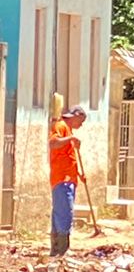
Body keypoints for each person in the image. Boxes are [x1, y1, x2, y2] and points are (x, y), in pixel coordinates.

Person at [47, 103, 87, 258]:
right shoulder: (61, 126)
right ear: (75, 115)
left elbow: (68, 158)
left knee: (62, 213)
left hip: (69, 178)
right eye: (81, 121)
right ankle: (61, 250)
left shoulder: (68, 130)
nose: (81, 125)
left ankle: (57, 250)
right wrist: (71, 138)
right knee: (64, 213)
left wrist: (79, 174)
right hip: (61, 179)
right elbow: (53, 143)